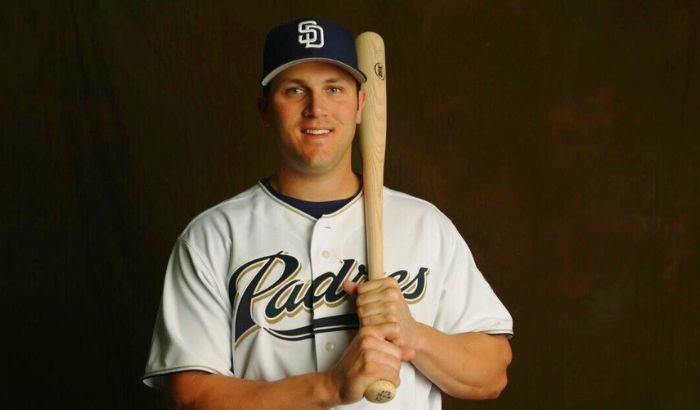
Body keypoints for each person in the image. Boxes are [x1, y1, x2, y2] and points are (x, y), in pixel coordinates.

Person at [143, 17, 513, 410]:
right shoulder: (213, 237)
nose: (316, 109)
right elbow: (193, 397)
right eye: (295, 90)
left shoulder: (424, 225)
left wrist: (414, 336)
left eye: (333, 88)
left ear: (360, 106)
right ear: (265, 109)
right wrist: (330, 387)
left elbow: (492, 372)